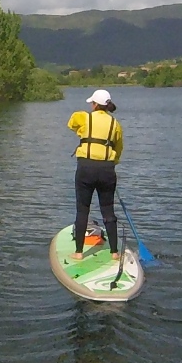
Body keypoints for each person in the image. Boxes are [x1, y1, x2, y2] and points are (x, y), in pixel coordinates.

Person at [67, 88, 123, 259]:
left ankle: (78, 253)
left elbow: (71, 124)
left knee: (82, 210)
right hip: (107, 170)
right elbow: (118, 149)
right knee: (108, 210)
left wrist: (83, 132)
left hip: (86, 168)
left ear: (95, 104)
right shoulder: (115, 124)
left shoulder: (84, 117)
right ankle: (114, 253)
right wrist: (111, 164)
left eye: (92, 103)